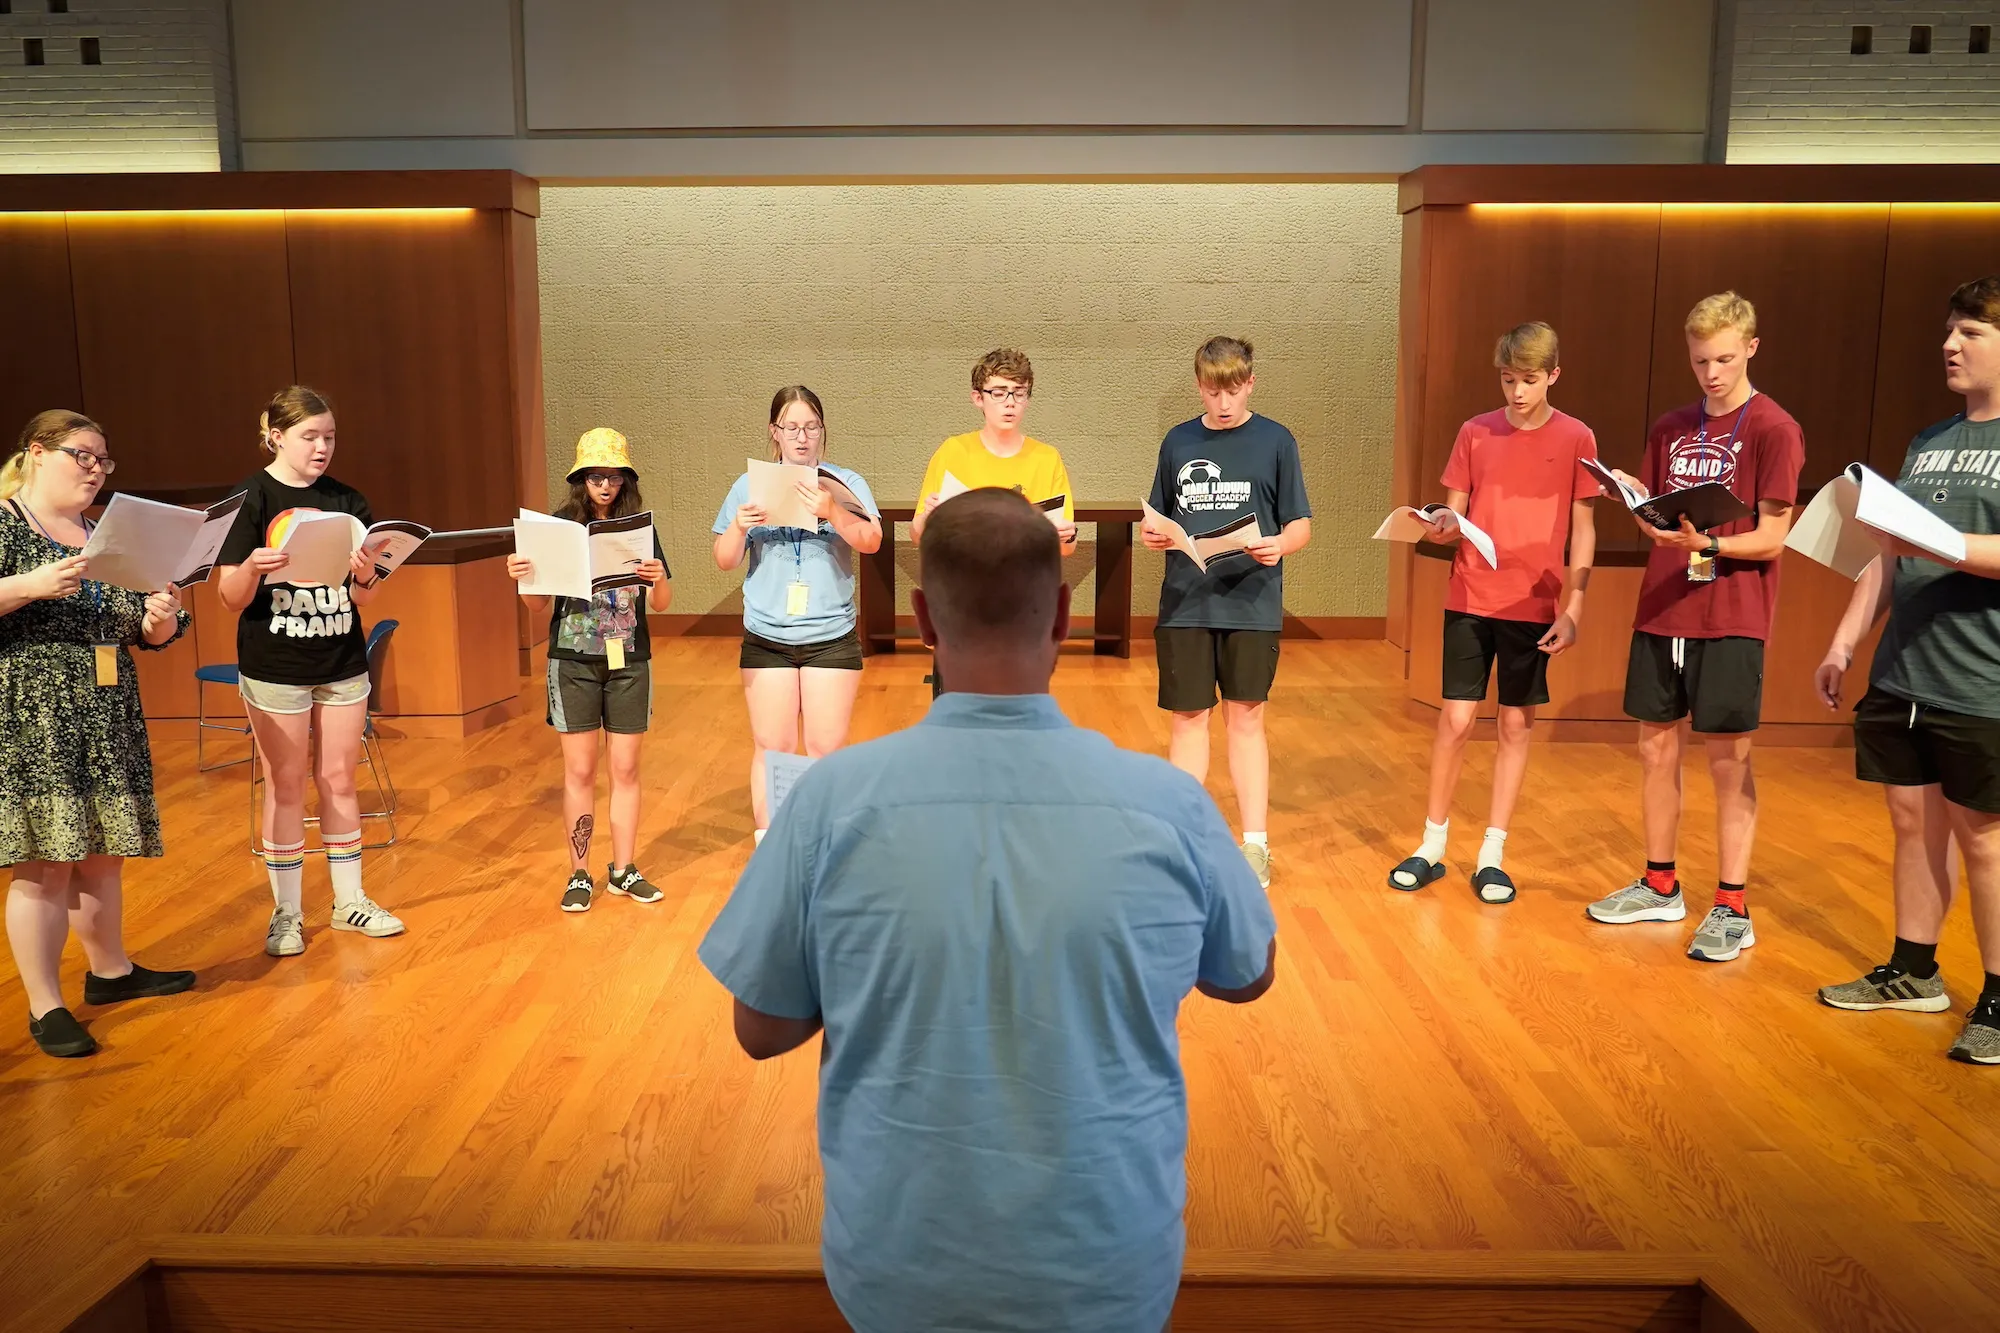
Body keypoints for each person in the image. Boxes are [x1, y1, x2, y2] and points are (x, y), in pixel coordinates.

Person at [698, 489, 1277, 1333]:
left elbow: (762, 1026)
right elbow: (1247, 974)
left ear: (924, 618)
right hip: (1111, 1270)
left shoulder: (829, 802)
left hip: (897, 1271)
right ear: (1067, 615)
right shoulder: (1168, 803)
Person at [1585, 293, 1804, 962]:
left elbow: (1772, 536)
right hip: (1664, 604)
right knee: (1655, 747)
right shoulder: (1671, 426)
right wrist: (1637, 501)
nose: (1711, 372)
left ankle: (1733, 902)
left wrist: (1709, 545)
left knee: (1727, 756)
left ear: (1752, 348)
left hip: (1731, 613)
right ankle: (1660, 883)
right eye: (1701, 359)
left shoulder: (1773, 427)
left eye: (1725, 359)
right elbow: (1654, 517)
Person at [1815, 276, 2000, 1065]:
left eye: (1972, 332)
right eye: (1949, 331)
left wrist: (1947, 547)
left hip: (1981, 678)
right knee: (1910, 822)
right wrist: (1844, 642)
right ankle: (1914, 969)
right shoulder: (1927, 442)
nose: (1950, 346)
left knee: (1985, 840)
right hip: (1903, 673)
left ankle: (1997, 995)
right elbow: (1887, 557)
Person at [1, 411, 194, 1058]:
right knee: (46, 861)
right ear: (36, 451)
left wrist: (158, 616)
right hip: (36, 714)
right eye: (82, 455)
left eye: (103, 460)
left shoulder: (106, 533)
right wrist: (28, 585)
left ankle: (110, 972)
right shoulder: (4, 521)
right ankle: (44, 1003)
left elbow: (153, 632)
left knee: (102, 851)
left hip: (108, 707)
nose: (94, 469)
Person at [1389, 323, 1597, 904]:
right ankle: (1431, 845)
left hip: (1535, 601)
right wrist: (1441, 524)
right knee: (1455, 720)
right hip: (1470, 594)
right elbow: (1454, 514)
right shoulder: (1475, 432)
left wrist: (1574, 607)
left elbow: (1584, 528)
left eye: (1529, 380)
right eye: (1508, 380)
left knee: (1514, 723)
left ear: (1553, 375)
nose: (1518, 392)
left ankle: (1492, 854)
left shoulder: (1578, 437)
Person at [217, 386, 405, 956]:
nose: (323, 447)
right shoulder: (249, 499)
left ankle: (349, 901)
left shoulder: (348, 500)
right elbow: (229, 596)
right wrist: (252, 566)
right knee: (286, 782)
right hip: (275, 663)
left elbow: (364, 600)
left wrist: (368, 572)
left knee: (341, 779)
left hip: (340, 659)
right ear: (276, 436)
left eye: (329, 436)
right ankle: (287, 912)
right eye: (310, 437)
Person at [1142, 336, 1312, 889]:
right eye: (1214, 391)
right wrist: (1153, 534)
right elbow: (1160, 515)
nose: (1224, 402)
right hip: (1188, 602)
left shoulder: (1276, 440)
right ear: (1199, 387)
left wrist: (1279, 546)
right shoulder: (1178, 441)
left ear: (1251, 384)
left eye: (1234, 390)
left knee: (1246, 718)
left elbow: (1300, 525)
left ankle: (1256, 845)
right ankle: (1186, 841)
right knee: (1189, 720)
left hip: (1252, 601)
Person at [506, 427, 673, 912]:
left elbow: (661, 603)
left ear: (625, 480)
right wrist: (523, 577)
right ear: (581, 479)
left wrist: (658, 578)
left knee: (625, 768)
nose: (606, 485)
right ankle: (579, 872)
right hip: (572, 661)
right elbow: (538, 606)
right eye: (596, 476)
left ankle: (623, 868)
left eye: (614, 477)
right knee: (579, 770)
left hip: (629, 660)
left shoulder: (639, 530)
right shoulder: (558, 526)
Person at [712, 386, 882, 845]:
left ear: (823, 431)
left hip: (831, 632)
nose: (802, 437)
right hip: (767, 634)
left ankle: (825, 840)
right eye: (792, 428)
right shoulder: (748, 486)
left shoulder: (845, 482)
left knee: (826, 748)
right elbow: (725, 559)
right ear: (775, 432)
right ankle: (772, 842)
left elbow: (871, 542)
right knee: (774, 747)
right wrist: (739, 526)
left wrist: (832, 510)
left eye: (812, 427)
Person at [911, 348, 1077, 696]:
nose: (1009, 402)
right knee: (956, 720)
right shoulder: (953, 452)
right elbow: (917, 534)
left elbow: (1067, 547)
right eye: (999, 393)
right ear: (978, 398)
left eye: (1019, 393)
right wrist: (928, 515)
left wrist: (1064, 534)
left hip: (1022, 611)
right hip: (961, 608)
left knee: (1017, 721)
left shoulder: (1046, 459)